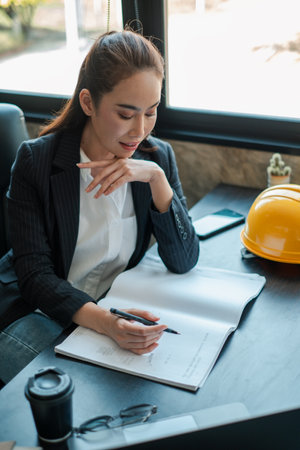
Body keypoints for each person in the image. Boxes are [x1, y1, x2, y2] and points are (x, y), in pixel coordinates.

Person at [0, 29, 199, 384]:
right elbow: (35, 276)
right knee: (76, 394)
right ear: (88, 103)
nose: (140, 131)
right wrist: (107, 323)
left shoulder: (157, 158)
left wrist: (156, 180)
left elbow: (184, 260)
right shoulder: (36, 162)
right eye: (125, 114)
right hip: (38, 311)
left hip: (112, 305)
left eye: (151, 113)